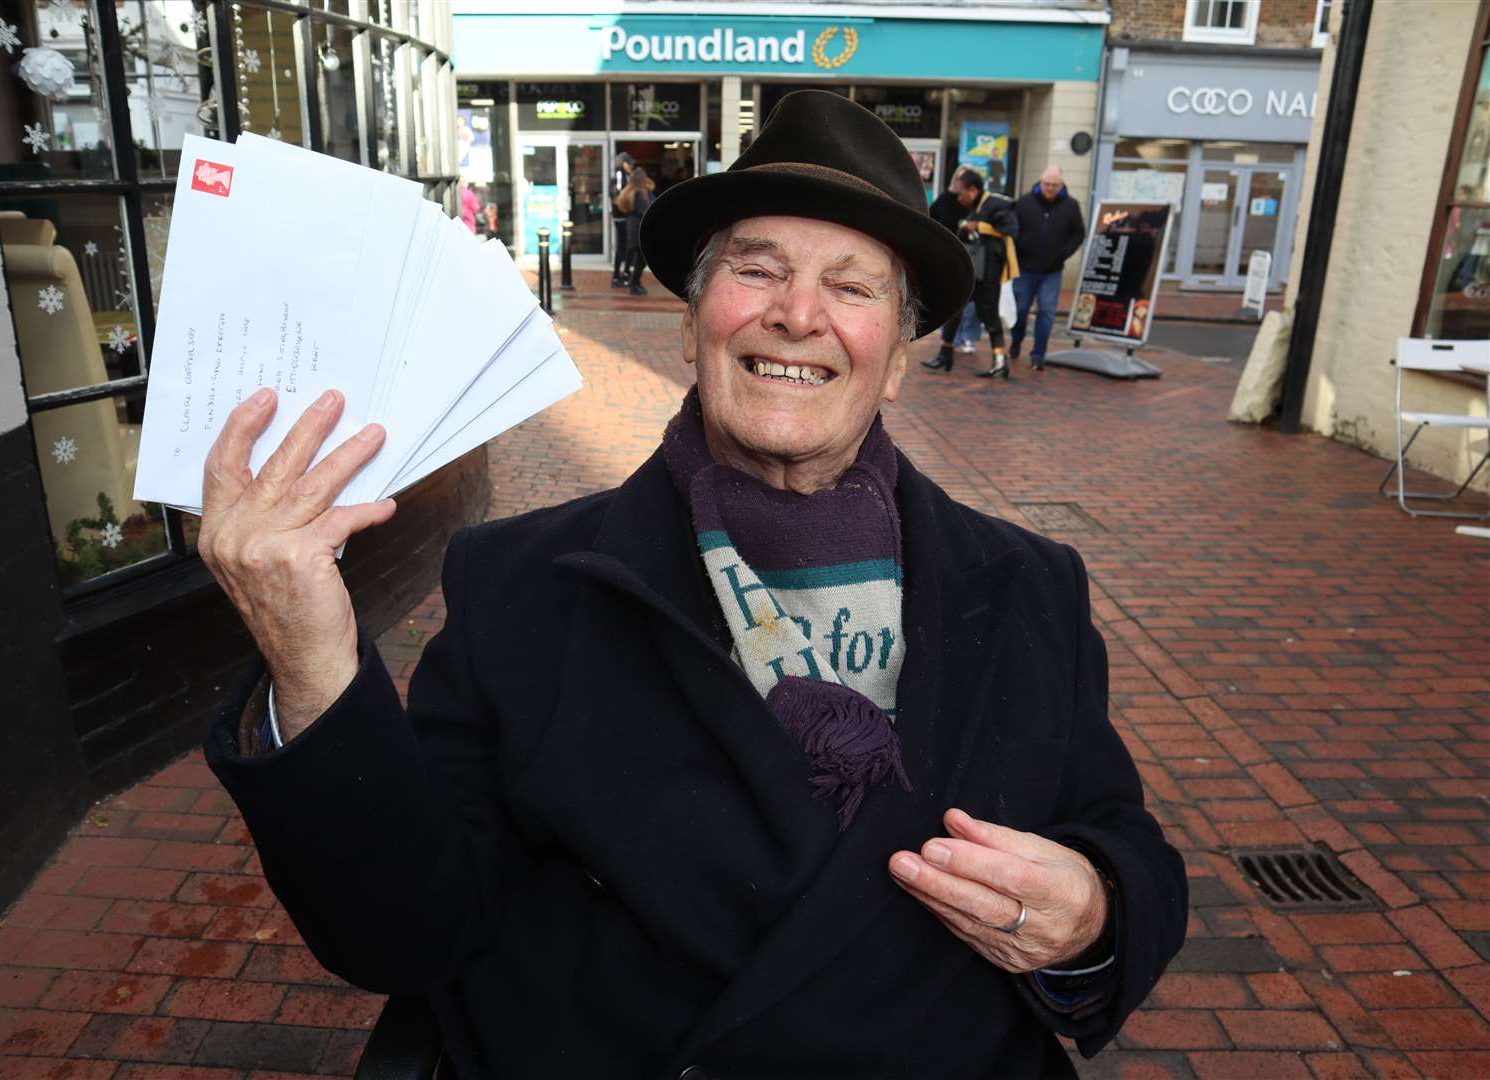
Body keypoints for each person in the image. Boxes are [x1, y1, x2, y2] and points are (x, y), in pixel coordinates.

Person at [200, 89, 1186, 1078]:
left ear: (896, 362)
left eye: (852, 288)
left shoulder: (1026, 587)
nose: (797, 314)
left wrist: (1091, 913)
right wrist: (312, 659)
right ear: (691, 324)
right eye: (758, 270)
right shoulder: (520, 584)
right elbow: (404, 934)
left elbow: (1119, 844)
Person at [1011, 165, 1086, 370]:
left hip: (1051, 271)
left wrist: (1064, 253)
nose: (1050, 188)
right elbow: (1012, 229)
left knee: (1046, 312)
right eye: (1046, 184)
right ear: (1040, 183)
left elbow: (1078, 234)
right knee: (1020, 310)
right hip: (1024, 269)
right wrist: (1017, 250)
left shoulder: (1071, 206)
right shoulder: (1025, 202)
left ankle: (1038, 353)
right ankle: (1016, 341)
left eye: (1054, 185)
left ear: (1060, 185)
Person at [952, 168, 1021, 380]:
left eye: (960, 192)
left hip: (991, 271)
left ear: (972, 190)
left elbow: (1011, 229)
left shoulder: (997, 204)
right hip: (977, 269)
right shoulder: (977, 206)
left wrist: (978, 226)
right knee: (958, 307)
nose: (958, 197)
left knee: (990, 314)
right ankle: (946, 352)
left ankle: (1000, 363)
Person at [923, 166, 983, 372]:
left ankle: (995, 354)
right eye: (957, 179)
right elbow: (930, 220)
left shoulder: (981, 205)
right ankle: (946, 352)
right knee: (956, 307)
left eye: (963, 182)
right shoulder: (945, 200)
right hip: (951, 260)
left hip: (976, 264)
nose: (959, 186)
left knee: (984, 311)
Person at [623, 166, 656, 296]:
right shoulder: (639, 193)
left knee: (639, 259)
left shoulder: (630, 191)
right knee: (641, 259)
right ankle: (634, 283)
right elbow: (645, 211)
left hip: (633, 227)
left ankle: (635, 282)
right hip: (639, 229)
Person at [609, 151, 635, 288]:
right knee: (622, 246)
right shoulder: (619, 175)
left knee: (625, 245)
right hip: (621, 217)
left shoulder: (625, 175)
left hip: (623, 216)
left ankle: (623, 273)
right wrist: (625, 207)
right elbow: (618, 195)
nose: (631, 165)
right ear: (623, 163)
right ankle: (616, 276)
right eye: (629, 163)